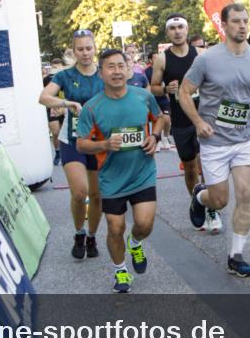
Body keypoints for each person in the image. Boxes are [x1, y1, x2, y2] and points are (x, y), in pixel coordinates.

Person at [179, 3, 250, 278]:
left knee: (245, 196)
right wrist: (198, 122)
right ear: (224, 25)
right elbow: (184, 93)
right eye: (236, 21)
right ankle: (200, 196)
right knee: (219, 200)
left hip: (244, 139)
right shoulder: (207, 59)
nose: (243, 26)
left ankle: (236, 256)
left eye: (246, 21)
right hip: (215, 141)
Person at [76, 49, 164, 293]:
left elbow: (159, 118)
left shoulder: (142, 97)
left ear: (128, 69)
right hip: (112, 178)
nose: (116, 71)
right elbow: (80, 143)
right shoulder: (92, 108)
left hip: (142, 173)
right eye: (110, 67)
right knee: (115, 227)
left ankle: (135, 243)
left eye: (120, 66)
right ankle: (121, 271)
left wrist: (154, 136)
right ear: (101, 73)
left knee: (144, 225)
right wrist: (104, 144)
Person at [39, 29, 104, 260]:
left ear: (94, 48)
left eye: (88, 48)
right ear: (73, 51)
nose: (85, 53)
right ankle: (79, 232)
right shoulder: (65, 75)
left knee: (97, 196)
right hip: (72, 140)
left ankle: (93, 236)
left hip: (99, 141)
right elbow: (43, 97)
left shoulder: (105, 73)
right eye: (80, 49)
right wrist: (66, 103)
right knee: (80, 193)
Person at [150, 15, 218, 229]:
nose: (177, 31)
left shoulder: (201, 54)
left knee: (205, 163)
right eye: (173, 28)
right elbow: (153, 87)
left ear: (187, 30)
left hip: (203, 117)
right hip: (180, 120)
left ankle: (211, 207)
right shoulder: (162, 59)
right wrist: (165, 89)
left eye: (181, 27)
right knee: (189, 167)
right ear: (168, 33)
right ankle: (196, 201)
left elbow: (216, 81)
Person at [145, 50, 172, 151]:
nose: (158, 59)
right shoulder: (146, 71)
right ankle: (158, 139)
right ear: (150, 60)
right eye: (155, 58)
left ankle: (165, 137)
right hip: (153, 99)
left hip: (163, 99)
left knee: (167, 119)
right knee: (157, 120)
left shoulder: (163, 68)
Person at [43, 59, 65, 166]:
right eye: (54, 67)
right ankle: (57, 152)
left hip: (65, 107)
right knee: (56, 132)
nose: (56, 69)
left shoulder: (67, 77)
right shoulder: (47, 79)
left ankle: (67, 152)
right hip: (52, 107)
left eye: (58, 67)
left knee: (67, 132)